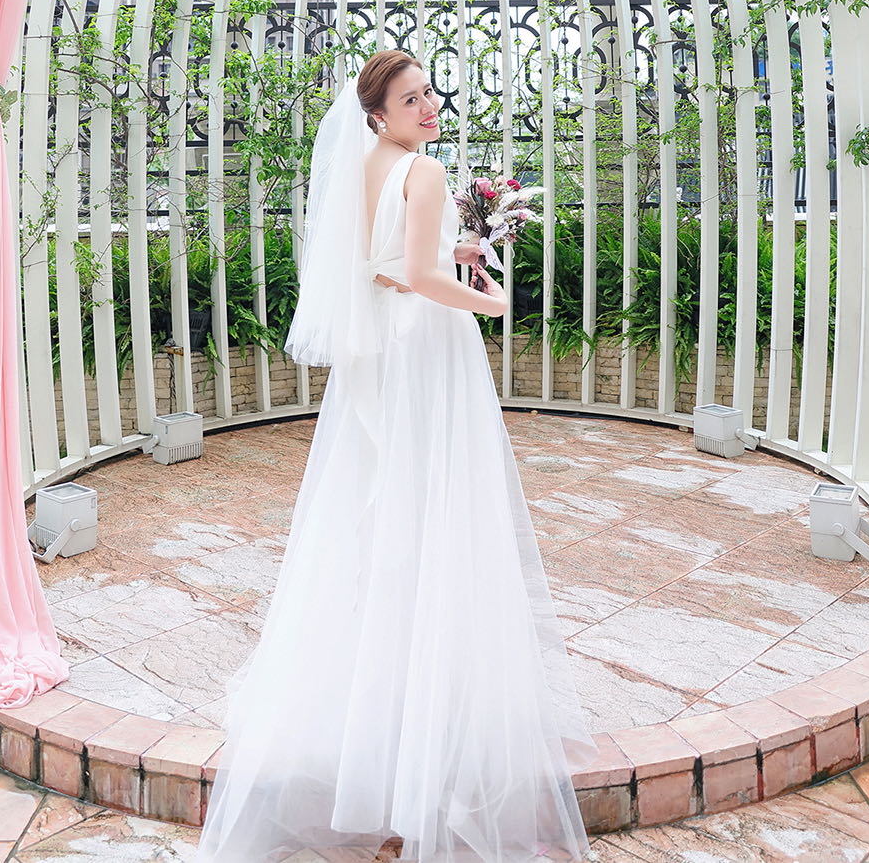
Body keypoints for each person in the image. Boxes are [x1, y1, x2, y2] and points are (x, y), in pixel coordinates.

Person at [199, 50, 598, 862]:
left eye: (429, 91)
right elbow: (416, 273)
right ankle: (430, 703)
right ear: (378, 112)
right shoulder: (426, 170)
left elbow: (380, 267)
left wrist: (454, 253)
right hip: (427, 353)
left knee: (376, 506)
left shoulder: (364, 166)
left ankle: (369, 691)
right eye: (411, 98)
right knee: (437, 506)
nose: (429, 104)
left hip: (380, 356)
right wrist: (487, 297)